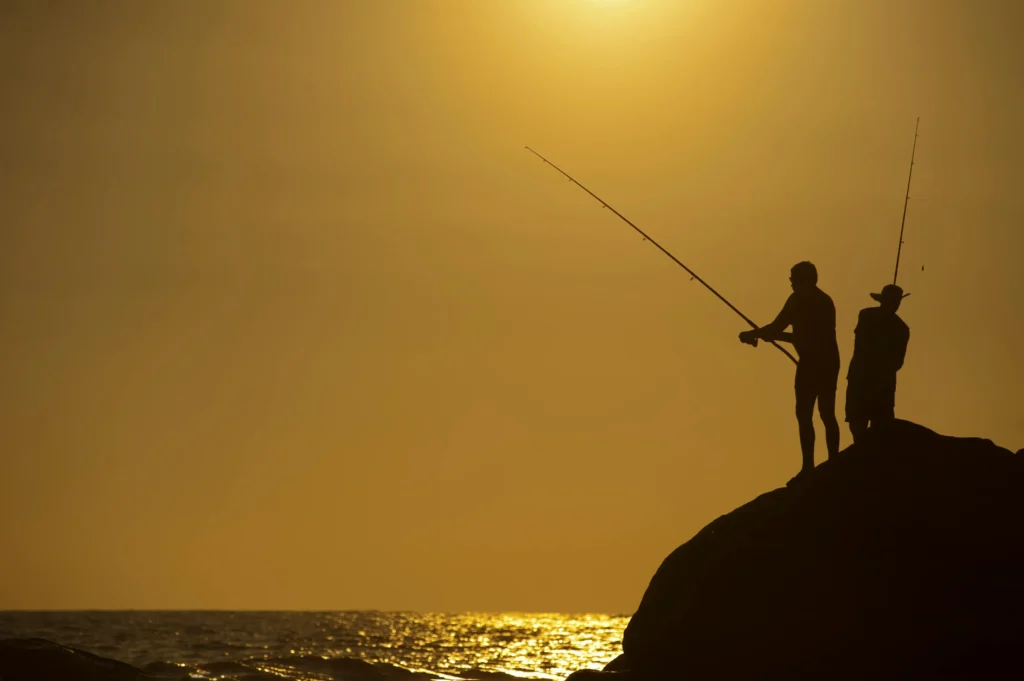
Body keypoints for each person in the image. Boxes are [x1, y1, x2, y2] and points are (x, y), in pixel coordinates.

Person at [739, 262, 841, 481]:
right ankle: (833, 462)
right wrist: (762, 334)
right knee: (826, 412)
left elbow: (779, 327)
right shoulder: (825, 300)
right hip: (829, 362)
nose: (791, 284)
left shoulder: (799, 300)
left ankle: (809, 467)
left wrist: (756, 334)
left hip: (813, 363)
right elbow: (793, 334)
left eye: (793, 279)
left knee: (805, 414)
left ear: (806, 280)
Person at [845, 284, 910, 444]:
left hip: (865, 379)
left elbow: (860, 344)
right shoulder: (901, 327)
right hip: (880, 382)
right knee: (871, 423)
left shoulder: (867, 315)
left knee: (861, 421)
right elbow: (898, 363)